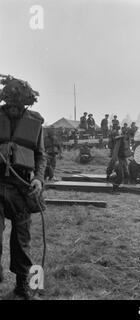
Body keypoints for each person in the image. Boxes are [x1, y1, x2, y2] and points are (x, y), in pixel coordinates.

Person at [0, 75, 46, 299]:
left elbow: (41, 156)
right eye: (10, 105)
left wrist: (38, 178)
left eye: (19, 106)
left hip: (22, 188)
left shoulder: (34, 123)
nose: (14, 109)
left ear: (26, 104)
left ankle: (22, 285)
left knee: (21, 239)